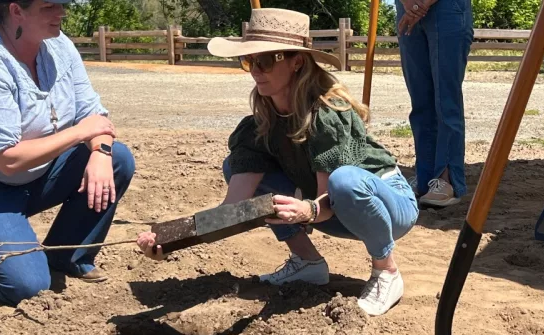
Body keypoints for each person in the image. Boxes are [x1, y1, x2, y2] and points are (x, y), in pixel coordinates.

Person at [136, 8, 419, 317]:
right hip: (333, 209)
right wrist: (170, 239)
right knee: (236, 167)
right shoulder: (260, 125)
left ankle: (386, 272)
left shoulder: (327, 113)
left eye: (266, 60)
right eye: (250, 61)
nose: (257, 70)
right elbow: (231, 211)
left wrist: (307, 210)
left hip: (387, 207)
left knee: (345, 181)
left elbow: (327, 199)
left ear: (297, 62)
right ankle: (308, 263)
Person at [0, 0, 135, 306]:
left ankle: (67, 256)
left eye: (62, 5)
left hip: (36, 173)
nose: (61, 13)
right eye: (50, 6)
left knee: (118, 158)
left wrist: (100, 154)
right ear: (16, 11)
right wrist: (81, 133)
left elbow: (95, 115)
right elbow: (7, 158)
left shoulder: (60, 46)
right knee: (27, 285)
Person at [394, 0, 474, 208]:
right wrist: (410, 4)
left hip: (446, 6)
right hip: (406, 5)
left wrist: (420, 4)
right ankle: (425, 178)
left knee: (446, 100)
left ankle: (446, 178)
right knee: (420, 100)